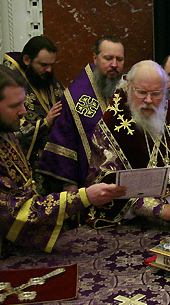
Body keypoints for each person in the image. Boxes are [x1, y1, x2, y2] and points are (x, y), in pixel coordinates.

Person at [0, 64, 125, 260]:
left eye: (23, 103)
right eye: (14, 106)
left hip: (14, 250)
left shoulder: (2, 134)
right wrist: (84, 197)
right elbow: (16, 214)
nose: (23, 111)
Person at [85, 60, 170, 229]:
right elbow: (105, 184)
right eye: (142, 92)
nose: (149, 100)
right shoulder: (110, 127)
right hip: (129, 223)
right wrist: (157, 209)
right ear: (129, 86)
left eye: (156, 94)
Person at [36, 36, 125, 192]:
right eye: (108, 58)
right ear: (95, 58)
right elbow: (64, 142)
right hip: (89, 189)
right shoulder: (75, 96)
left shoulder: (128, 90)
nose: (114, 64)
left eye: (119, 59)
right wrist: (73, 194)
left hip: (126, 184)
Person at [2, 36, 64, 167]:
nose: (49, 70)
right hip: (26, 165)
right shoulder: (8, 83)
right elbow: (7, 129)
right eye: (43, 65)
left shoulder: (45, 78)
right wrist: (45, 123)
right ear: (26, 60)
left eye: (52, 65)